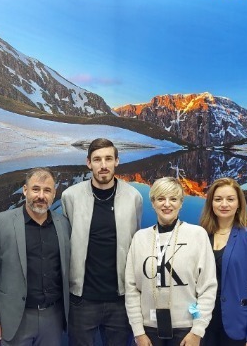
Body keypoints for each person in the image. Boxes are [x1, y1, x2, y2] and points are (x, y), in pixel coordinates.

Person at [61, 138, 143, 346]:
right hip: (82, 300)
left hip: (120, 300)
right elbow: (64, 243)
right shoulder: (70, 197)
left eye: (108, 158)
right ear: (89, 163)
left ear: (117, 161)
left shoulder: (133, 197)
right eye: (97, 159)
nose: (103, 165)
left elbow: (136, 241)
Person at [0, 168, 71, 345]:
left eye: (47, 190)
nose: (41, 196)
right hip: (14, 319)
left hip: (53, 318)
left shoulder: (63, 224)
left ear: (54, 194)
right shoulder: (0, 223)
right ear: (25, 190)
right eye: (36, 189)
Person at [125, 177, 217, 346]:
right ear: (153, 203)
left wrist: (197, 331)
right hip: (148, 331)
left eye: (173, 199)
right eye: (161, 199)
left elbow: (208, 287)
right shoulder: (140, 238)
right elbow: (132, 289)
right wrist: (138, 332)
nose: (167, 204)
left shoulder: (197, 235)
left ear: (181, 203)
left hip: (186, 330)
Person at [199, 177, 247, 346]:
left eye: (230, 199)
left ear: (239, 204)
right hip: (202, 322)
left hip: (236, 324)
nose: (224, 204)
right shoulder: (200, 235)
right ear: (211, 204)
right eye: (218, 199)